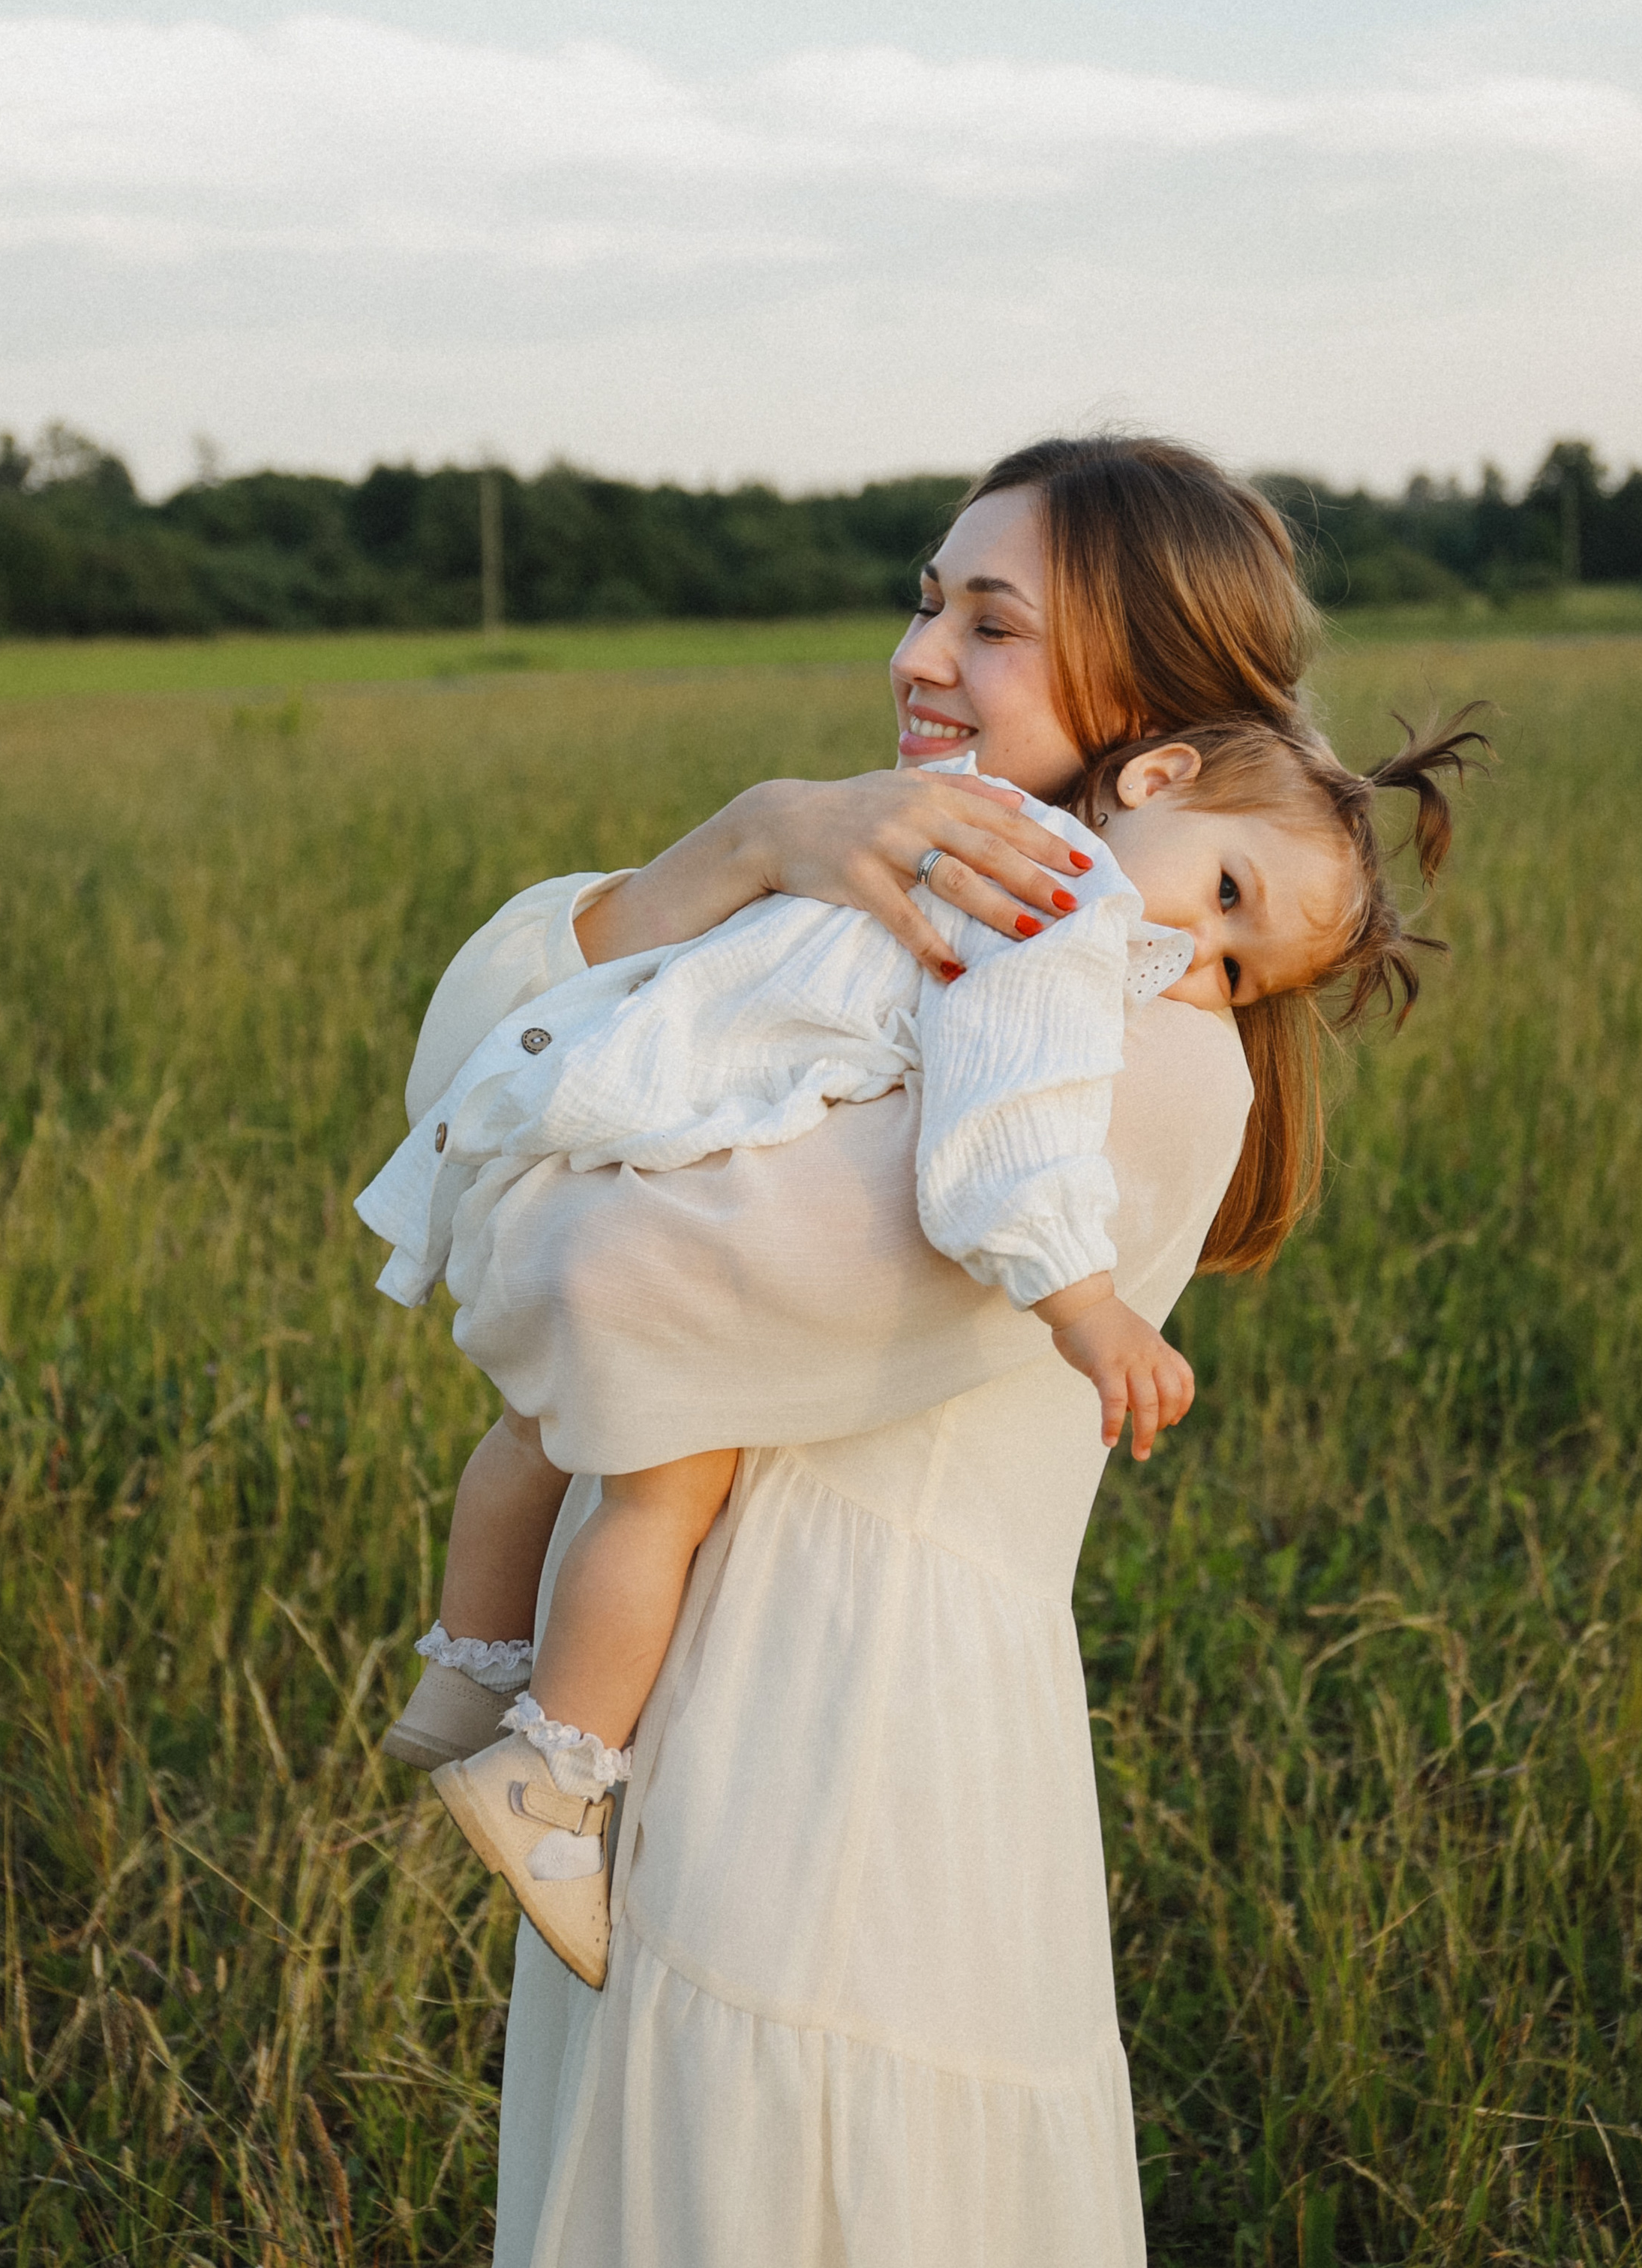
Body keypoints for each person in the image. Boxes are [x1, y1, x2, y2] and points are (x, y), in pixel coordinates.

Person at [375, 434, 1476, 2265]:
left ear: (1144, 718)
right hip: (679, 1696)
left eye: (992, 624)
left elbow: (593, 1277)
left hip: (831, 1742)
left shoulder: (1120, 1046)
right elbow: (465, 1079)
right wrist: (742, 842)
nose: (919, 656)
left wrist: (582, 1134)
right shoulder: (906, 935)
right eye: (923, 600)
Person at [359, 709, 1477, 1990]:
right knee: (663, 1485)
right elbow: (998, 1145)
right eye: (1225, 894)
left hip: (569, 1118)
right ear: (1155, 776)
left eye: (1235, 972)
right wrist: (1088, 1303)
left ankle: (459, 1681)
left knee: (531, 1431)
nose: (1191, 955)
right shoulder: (1065, 914)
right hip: (653, 1157)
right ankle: (547, 1778)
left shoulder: (961, 819)